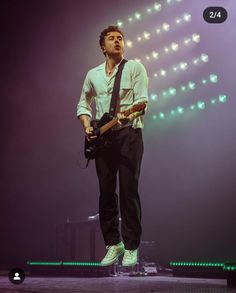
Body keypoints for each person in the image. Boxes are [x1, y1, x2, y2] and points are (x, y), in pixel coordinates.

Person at [77, 25, 148, 266]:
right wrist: (87, 126)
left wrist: (128, 114)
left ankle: (131, 246)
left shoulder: (135, 68)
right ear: (102, 47)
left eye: (120, 38)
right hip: (103, 139)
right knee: (106, 192)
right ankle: (113, 244)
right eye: (111, 38)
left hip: (129, 134)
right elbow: (83, 105)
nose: (117, 41)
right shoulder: (92, 74)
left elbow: (142, 101)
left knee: (129, 191)